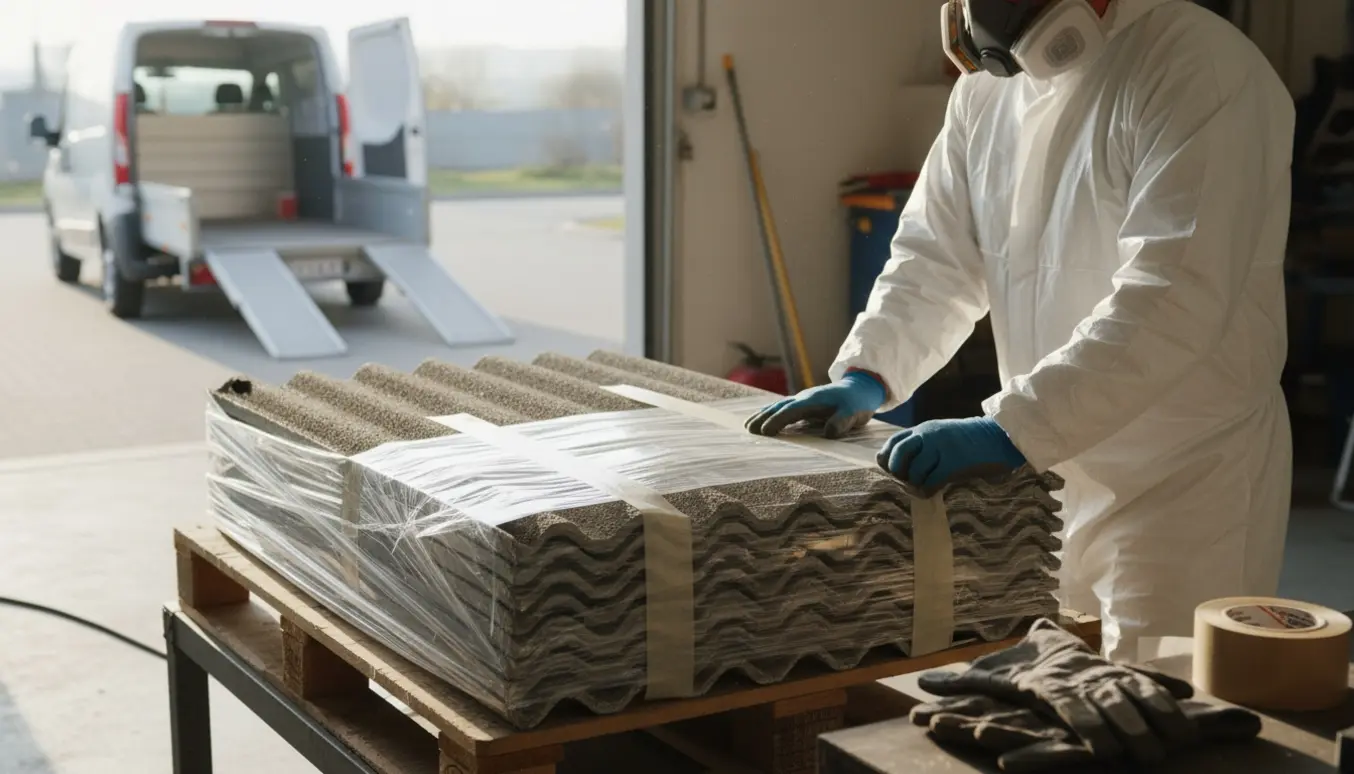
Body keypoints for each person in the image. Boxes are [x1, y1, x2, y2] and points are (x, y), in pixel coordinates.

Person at [746, 0, 1294, 663]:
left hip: (1182, 481)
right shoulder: (986, 93)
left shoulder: (1199, 67)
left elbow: (1175, 295)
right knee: (1062, 700)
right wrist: (870, 373)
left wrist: (1013, 428)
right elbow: (937, 256)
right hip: (1049, 478)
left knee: (1168, 710)